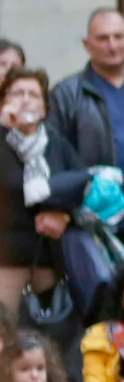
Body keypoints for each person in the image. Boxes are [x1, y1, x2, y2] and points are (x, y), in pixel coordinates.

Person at [48, 9, 124, 243]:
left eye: (118, 36)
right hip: (93, 222)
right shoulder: (66, 94)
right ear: (87, 44)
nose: (112, 45)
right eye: (103, 38)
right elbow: (53, 159)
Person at [0, 69, 88, 318]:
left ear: (45, 108)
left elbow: (82, 184)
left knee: (51, 337)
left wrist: (65, 215)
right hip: (6, 260)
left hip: (49, 258)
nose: (25, 99)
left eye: (33, 94)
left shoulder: (55, 143)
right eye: (17, 93)